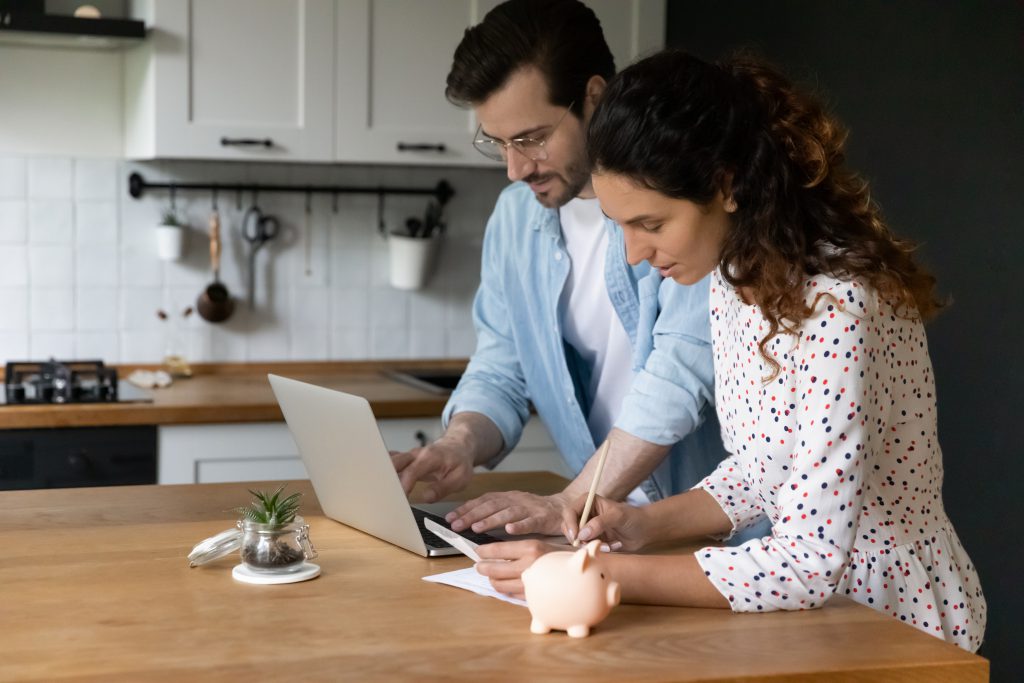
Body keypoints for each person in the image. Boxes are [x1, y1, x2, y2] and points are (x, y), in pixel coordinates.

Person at [475, 49, 986, 652]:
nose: (635, 253)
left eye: (652, 224)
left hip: (888, 619)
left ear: (726, 186)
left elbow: (808, 560)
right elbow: (760, 470)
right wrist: (641, 525)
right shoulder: (736, 277)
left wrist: (597, 574)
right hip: (815, 616)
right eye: (620, 226)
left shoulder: (838, 307)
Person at [390, 0, 736, 539]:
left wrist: (570, 502)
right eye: (499, 143)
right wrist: (459, 443)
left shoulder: (685, 212)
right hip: (606, 528)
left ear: (593, 97)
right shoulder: (515, 218)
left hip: (715, 530)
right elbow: (502, 364)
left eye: (530, 138)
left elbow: (679, 375)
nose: (515, 167)